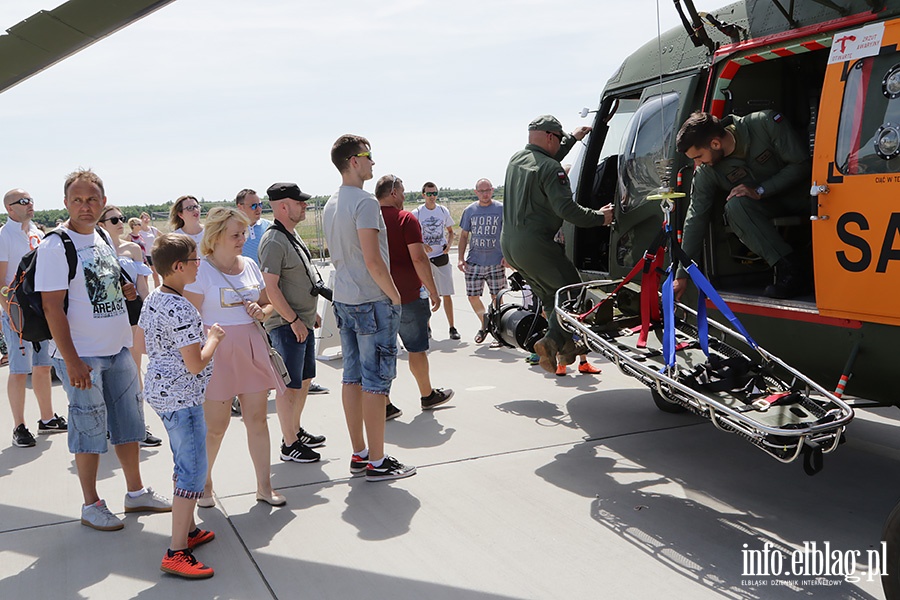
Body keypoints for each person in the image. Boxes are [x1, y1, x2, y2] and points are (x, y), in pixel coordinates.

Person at [35, 169, 171, 531]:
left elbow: (103, 286)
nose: (85, 206)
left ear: (103, 201)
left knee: (130, 424)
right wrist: (72, 360)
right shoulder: (55, 245)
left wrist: (124, 292)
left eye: (92, 199)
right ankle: (91, 503)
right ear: (65, 203)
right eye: (77, 200)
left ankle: (135, 491)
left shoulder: (100, 236)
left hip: (117, 349)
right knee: (89, 429)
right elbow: (51, 307)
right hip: (82, 356)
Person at [323, 134, 415, 482]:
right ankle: (377, 460)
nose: (373, 163)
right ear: (354, 161)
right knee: (376, 382)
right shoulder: (364, 203)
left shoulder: (332, 202)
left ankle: (360, 453)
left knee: (351, 377)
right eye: (368, 156)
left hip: (345, 299)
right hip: (369, 301)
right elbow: (373, 260)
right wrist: (394, 296)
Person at [183, 207, 287, 507]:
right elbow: (189, 318)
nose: (243, 238)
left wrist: (262, 311)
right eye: (236, 234)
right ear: (215, 237)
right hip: (216, 351)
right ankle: (204, 483)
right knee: (215, 427)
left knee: (257, 420)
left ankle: (264, 488)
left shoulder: (251, 265)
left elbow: (268, 304)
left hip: (251, 348)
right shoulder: (200, 270)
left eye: (244, 233)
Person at [137, 233, 223, 579]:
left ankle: (186, 528)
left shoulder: (156, 297)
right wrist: (213, 338)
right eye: (194, 260)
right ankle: (176, 550)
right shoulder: (182, 307)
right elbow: (195, 364)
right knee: (193, 470)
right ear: (178, 267)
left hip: (162, 392)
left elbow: (143, 341)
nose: (198, 265)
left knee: (183, 459)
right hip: (182, 398)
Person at [501, 115, 611, 374]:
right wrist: (600, 217)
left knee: (553, 295)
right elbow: (567, 210)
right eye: (558, 139)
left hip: (510, 246)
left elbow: (545, 160)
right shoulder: (553, 169)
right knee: (572, 290)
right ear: (550, 137)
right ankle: (551, 343)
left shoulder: (516, 159)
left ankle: (565, 349)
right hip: (536, 246)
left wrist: (572, 139)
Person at [674, 110, 812, 299]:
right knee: (735, 206)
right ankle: (790, 270)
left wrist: (761, 190)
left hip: (809, 198)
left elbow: (801, 163)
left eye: (698, 156)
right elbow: (696, 215)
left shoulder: (763, 123)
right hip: (769, 208)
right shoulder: (707, 171)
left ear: (715, 143)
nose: (697, 163)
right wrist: (683, 272)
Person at [258, 182, 326, 464]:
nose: (305, 206)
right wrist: (294, 319)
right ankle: (289, 444)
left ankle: (295, 431)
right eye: (299, 202)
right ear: (283, 206)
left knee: (305, 379)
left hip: (301, 322)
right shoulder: (274, 240)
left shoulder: (289, 235)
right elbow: (270, 287)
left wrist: (310, 315)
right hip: (288, 326)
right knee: (289, 386)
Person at [375, 174, 453, 414]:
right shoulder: (405, 219)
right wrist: (432, 290)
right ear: (394, 192)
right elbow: (418, 258)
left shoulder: (366, 219)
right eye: (402, 190)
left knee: (381, 351)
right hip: (407, 294)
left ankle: (384, 403)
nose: (404, 195)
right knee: (416, 349)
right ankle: (427, 395)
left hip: (376, 296)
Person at [0, 188, 66, 448]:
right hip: (17, 314)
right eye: (23, 201)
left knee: (42, 366)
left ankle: (47, 418)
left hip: (38, 311)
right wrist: (11, 313)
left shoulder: (37, 233)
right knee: (18, 369)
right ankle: (19, 425)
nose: (30, 205)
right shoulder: (4, 237)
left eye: (31, 200)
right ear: (10, 208)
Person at [97, 205, 162, 448]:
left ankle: (138, 424)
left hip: (133, 313)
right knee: (104, 372)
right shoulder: (91, 250)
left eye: (121, 218)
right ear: (101, 223)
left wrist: (149, 316)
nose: (120, 222)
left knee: (134, 369)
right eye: (114, 219)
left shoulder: (133, 248)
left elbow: (143, 286)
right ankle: (106, 425)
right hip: (104, 317)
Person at [457, 178, 506, 344]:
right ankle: (485, 324)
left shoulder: (501, 209)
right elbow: (464, 236)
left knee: (497, 297)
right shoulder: (470, 210)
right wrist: (460, 258)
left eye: (488, 190)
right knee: (473, 296)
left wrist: (507, 256)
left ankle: (499, 332)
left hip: (496, 261)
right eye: (482, 191)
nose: (485, 194)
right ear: (476, 192)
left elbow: (508, 234)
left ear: (492, 190)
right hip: (474, 261)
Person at [410, 182, 458, 340]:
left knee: (446, 293)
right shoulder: (417, 213)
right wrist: (422, 245)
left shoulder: (443, 211)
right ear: (423, 195)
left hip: (441, 258)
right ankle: (427, 327)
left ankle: (452, 327)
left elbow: (451, 232)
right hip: (424, 260)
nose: (432, 196)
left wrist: (449, 245)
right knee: (425, 294)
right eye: (429, 194)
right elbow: (412, 235)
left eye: (434, 193)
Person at [236, 188, 272, 263]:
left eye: (260, 205)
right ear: (240, 207)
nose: (258, 209)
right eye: (254, 206)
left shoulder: (270, 227)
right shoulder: (232, 230)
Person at [139, 212, 162, 287]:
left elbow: (162, 236)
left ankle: (157, 293)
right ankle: (146, 295)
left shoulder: (152, 229)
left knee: (155, 274)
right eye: (144, 218)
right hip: (143, 255)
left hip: (152, 254)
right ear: (141, 219)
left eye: (148, 218)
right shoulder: (138, 230)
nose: (146, 220)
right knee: (145, 276)